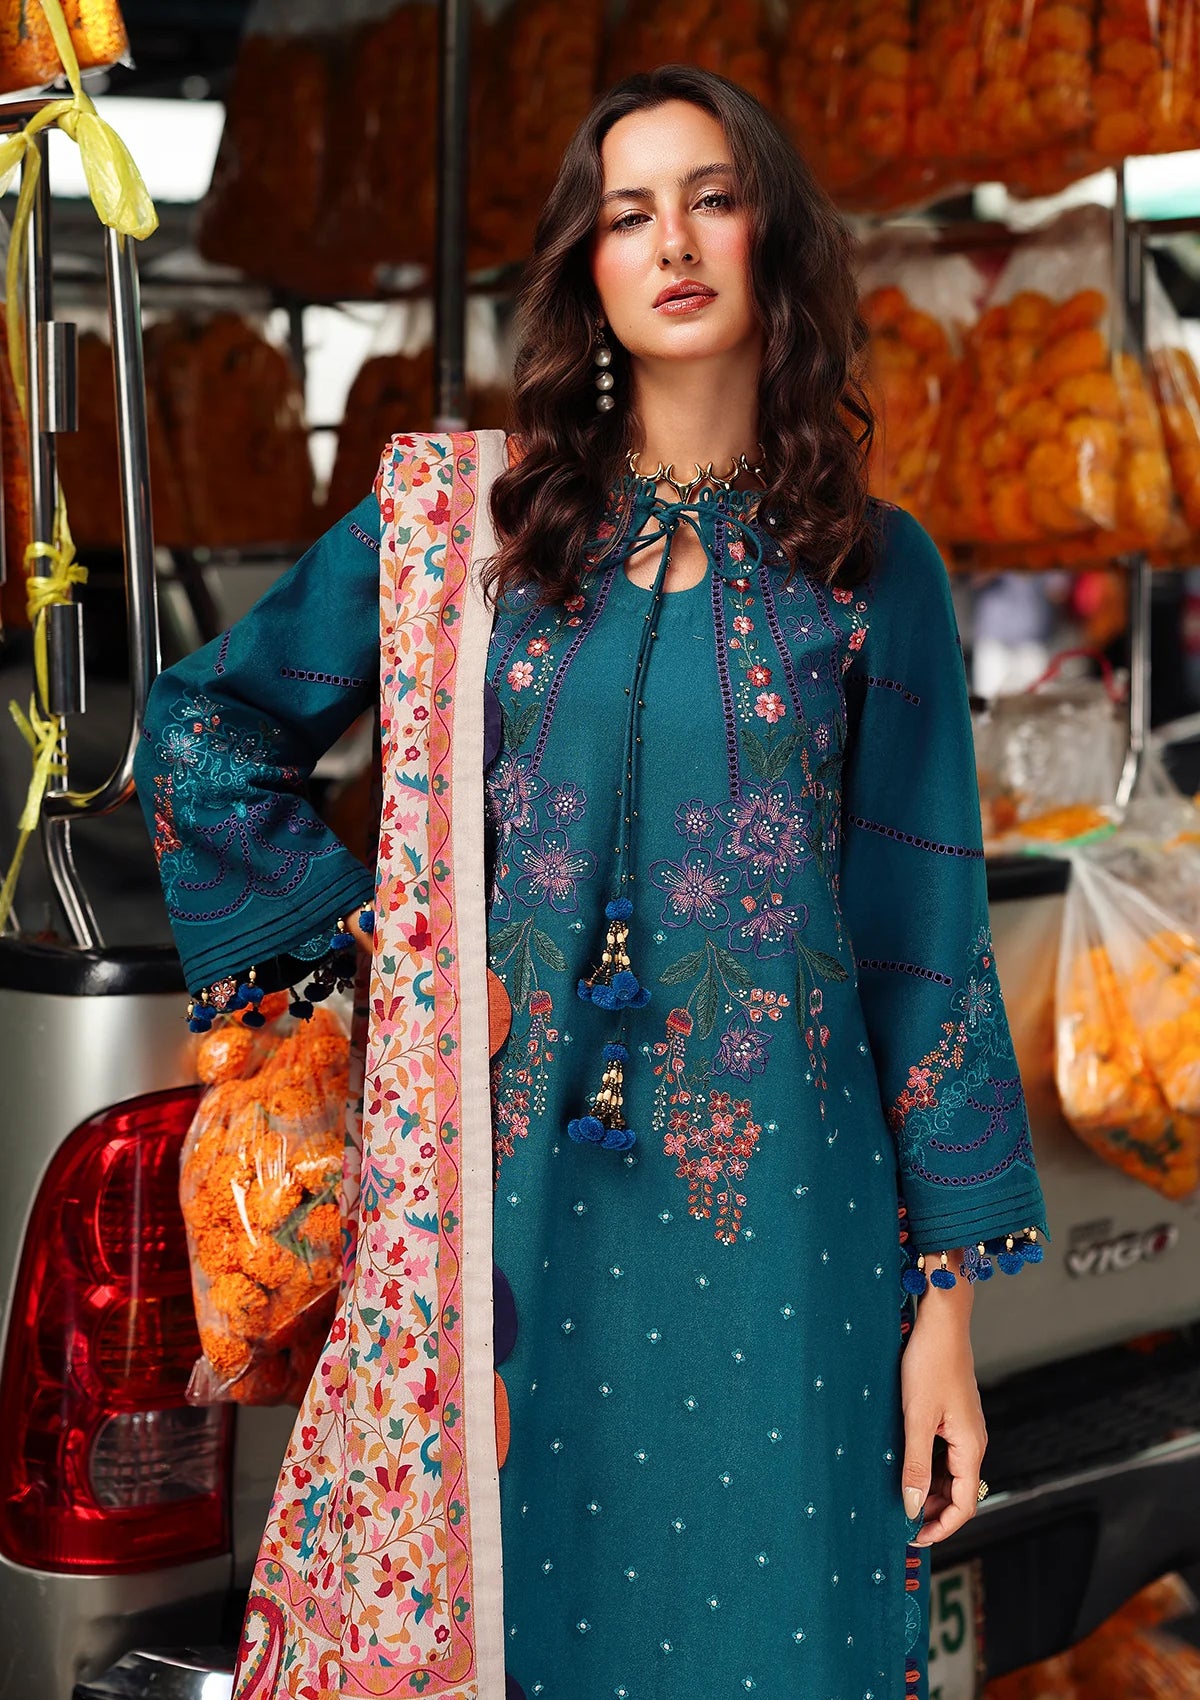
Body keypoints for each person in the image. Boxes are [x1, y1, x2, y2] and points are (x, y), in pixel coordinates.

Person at [137, 65, 1047, 1700]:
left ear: (774, 239)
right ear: (590, 270)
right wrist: (381, 945)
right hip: (509, 1218)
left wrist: (947, 1321)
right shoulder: (472, 538)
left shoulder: (869, 564)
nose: (673, 242)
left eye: (713, 198)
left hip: (792, 1239)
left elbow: (925, 946)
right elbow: (206, 728)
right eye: (630, 215)